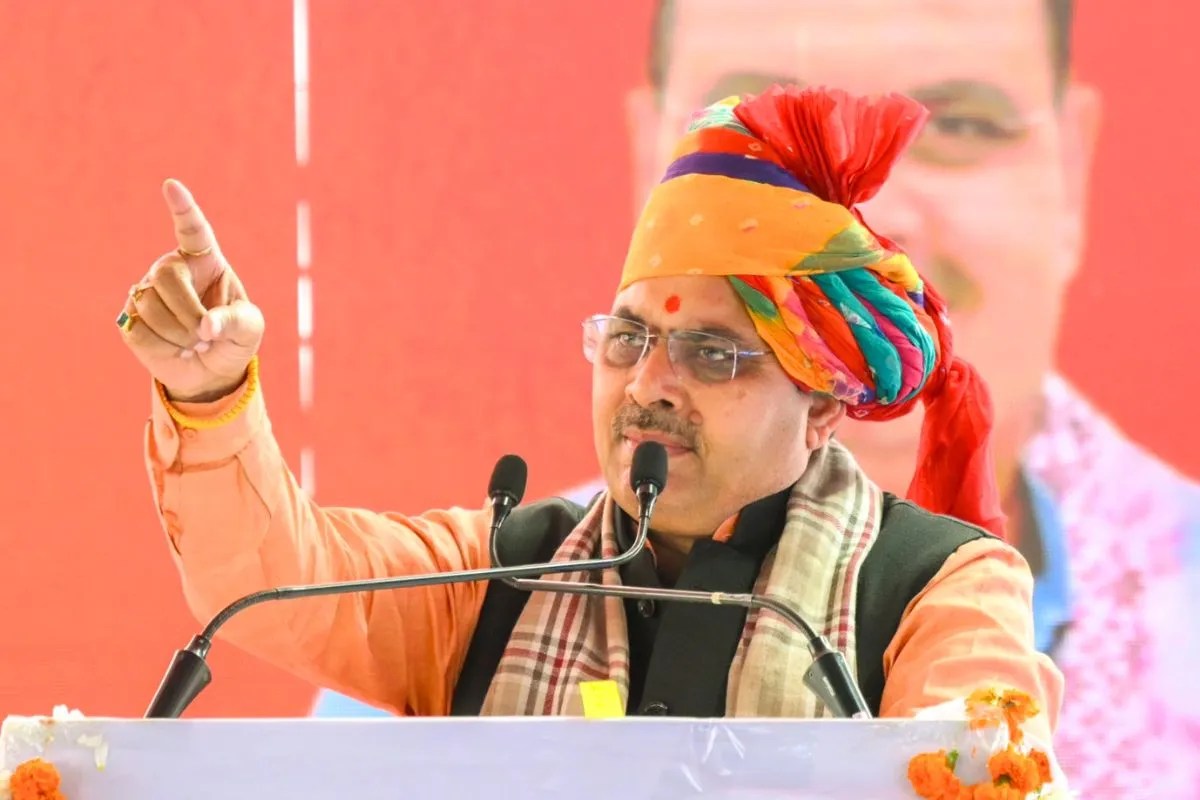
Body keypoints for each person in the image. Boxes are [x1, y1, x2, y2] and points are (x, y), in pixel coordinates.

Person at [119, 86, 1060, 742]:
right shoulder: (498, 576)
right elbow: (276, 577)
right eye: (628, 338)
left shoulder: (936, 589)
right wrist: (209, 395)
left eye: (712, 354)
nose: (649, 384)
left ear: (820, 405)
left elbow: (975, 764)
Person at [522, 1, 1200, 795]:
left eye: (964, 126)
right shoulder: (496, 584)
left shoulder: (978, 592)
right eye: (757, 150)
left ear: (1074, 170)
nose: (880, 220)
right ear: (650, 157)